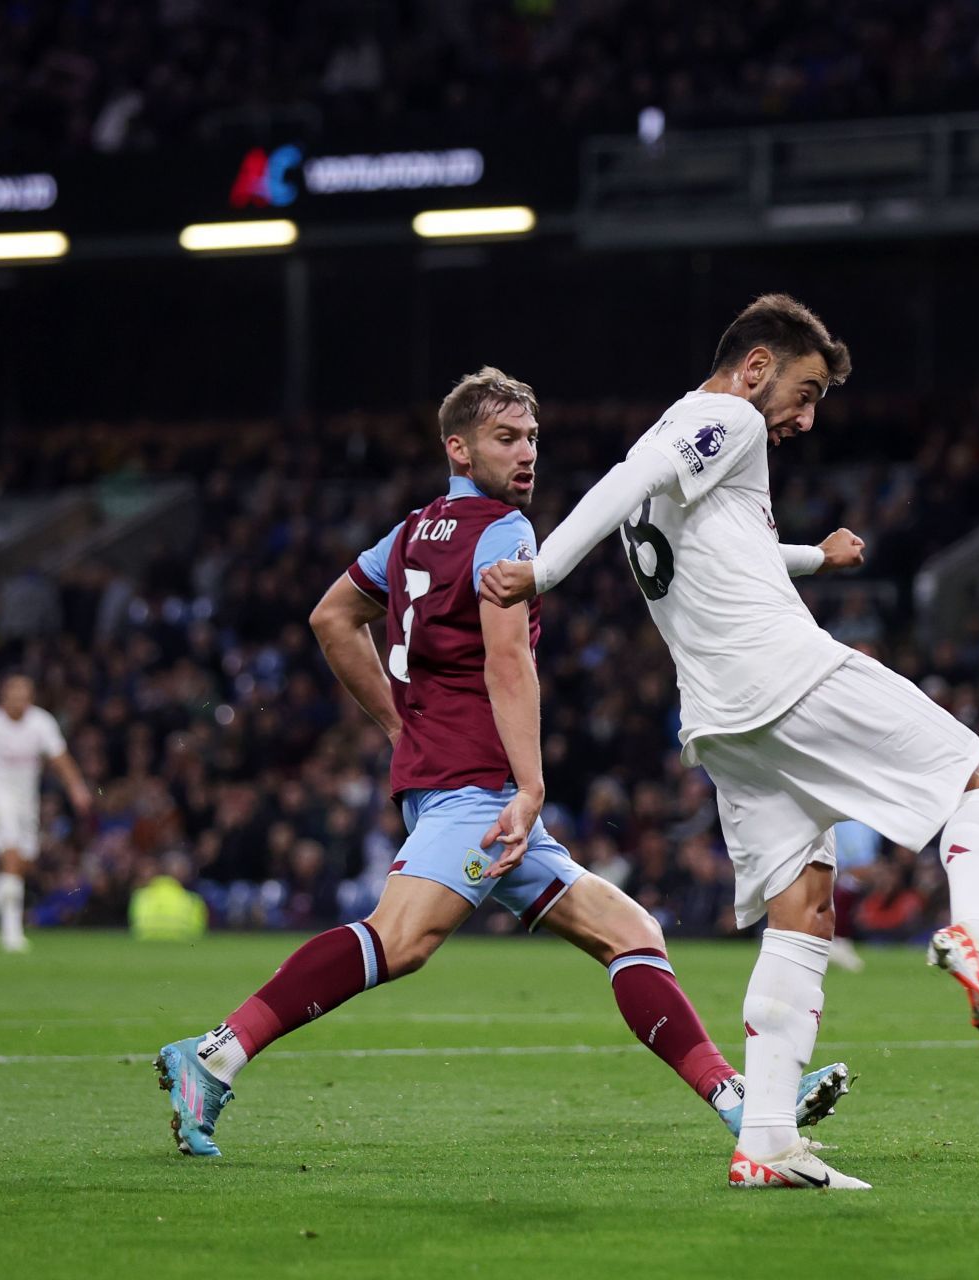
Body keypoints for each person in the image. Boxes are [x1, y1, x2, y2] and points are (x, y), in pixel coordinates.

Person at [154, 367, 848, 1158]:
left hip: (454, 781)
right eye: (506, 439)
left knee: (631, 934)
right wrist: (528, 786)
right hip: (479, 790)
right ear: (458, 447)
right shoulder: (505, 533)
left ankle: (740, 1101)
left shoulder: (413, 531)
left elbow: (332, 616)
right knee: (402, 938)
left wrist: (396, 724)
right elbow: (506, 664)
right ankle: (214, 1054)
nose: (526, 456)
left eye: (532, 440)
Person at [482, 295, 979, 1192]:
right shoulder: (724, 414)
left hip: (720, 719)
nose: (805, 419)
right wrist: (541, 572)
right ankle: (976, 938)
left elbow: (722, 547)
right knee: (977, 788)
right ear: (758, 366)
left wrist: (818, 555)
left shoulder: (700, 443)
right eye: (804, 393)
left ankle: (767, 1140)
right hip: (780, 673)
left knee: (805, 907)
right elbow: (625, 474)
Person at [0, 674, 93, 953]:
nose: (20, 701)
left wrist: (77, 787)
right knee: (12, 856)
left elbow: (60, 758)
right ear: (4, 696)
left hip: (27, 801)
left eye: (25, 695)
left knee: (25, 861)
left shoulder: (41, 722)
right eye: (15, 695)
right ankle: (11, 932)